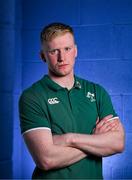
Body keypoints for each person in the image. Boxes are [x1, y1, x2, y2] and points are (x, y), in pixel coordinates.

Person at [19, 22, 125, 179]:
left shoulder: (97, 92)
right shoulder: (32, 96)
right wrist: (95, 140)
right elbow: (46, 159)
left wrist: (69, 139)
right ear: (43, 56)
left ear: (75, 51)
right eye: (54, 51)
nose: (62, 58)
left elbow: (117, 143)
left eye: (67, 49)